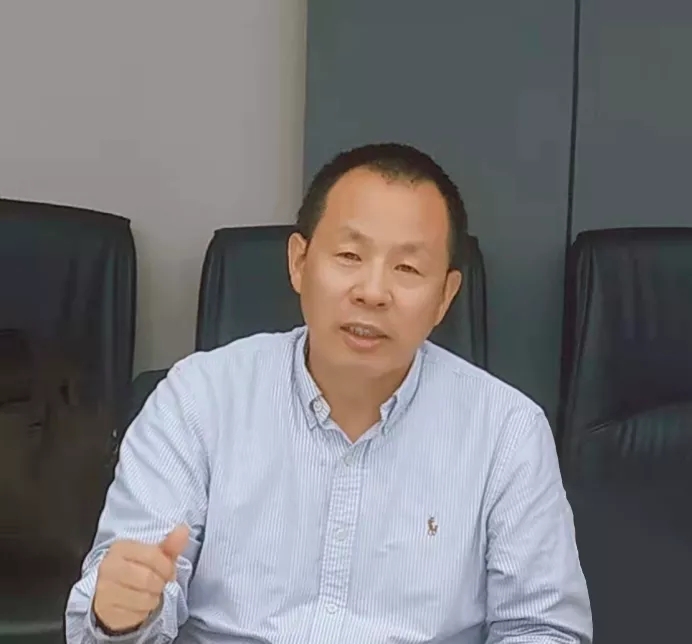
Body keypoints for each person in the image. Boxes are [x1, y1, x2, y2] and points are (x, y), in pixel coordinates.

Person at [65, 143, 592, 644]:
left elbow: (543, 628)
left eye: (407, 268)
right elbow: (109, 615)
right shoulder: (199, 399)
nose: (373, 292)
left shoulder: (506, 432)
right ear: (299, 262)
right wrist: (122, 613)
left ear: (444, 297)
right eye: (349, 255)